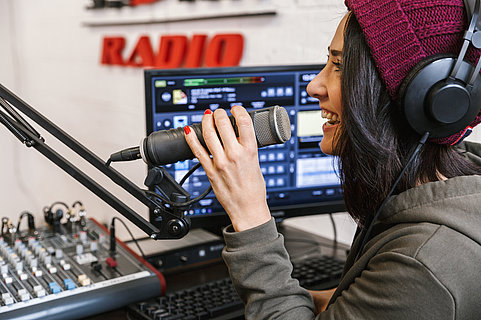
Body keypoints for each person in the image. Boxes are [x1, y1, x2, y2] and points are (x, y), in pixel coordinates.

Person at [184, 0, 481, 318]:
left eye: (339, 67)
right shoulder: (437, 190)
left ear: (423, 97)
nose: (314, 86)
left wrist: (250, 215)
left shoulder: (423, 261)